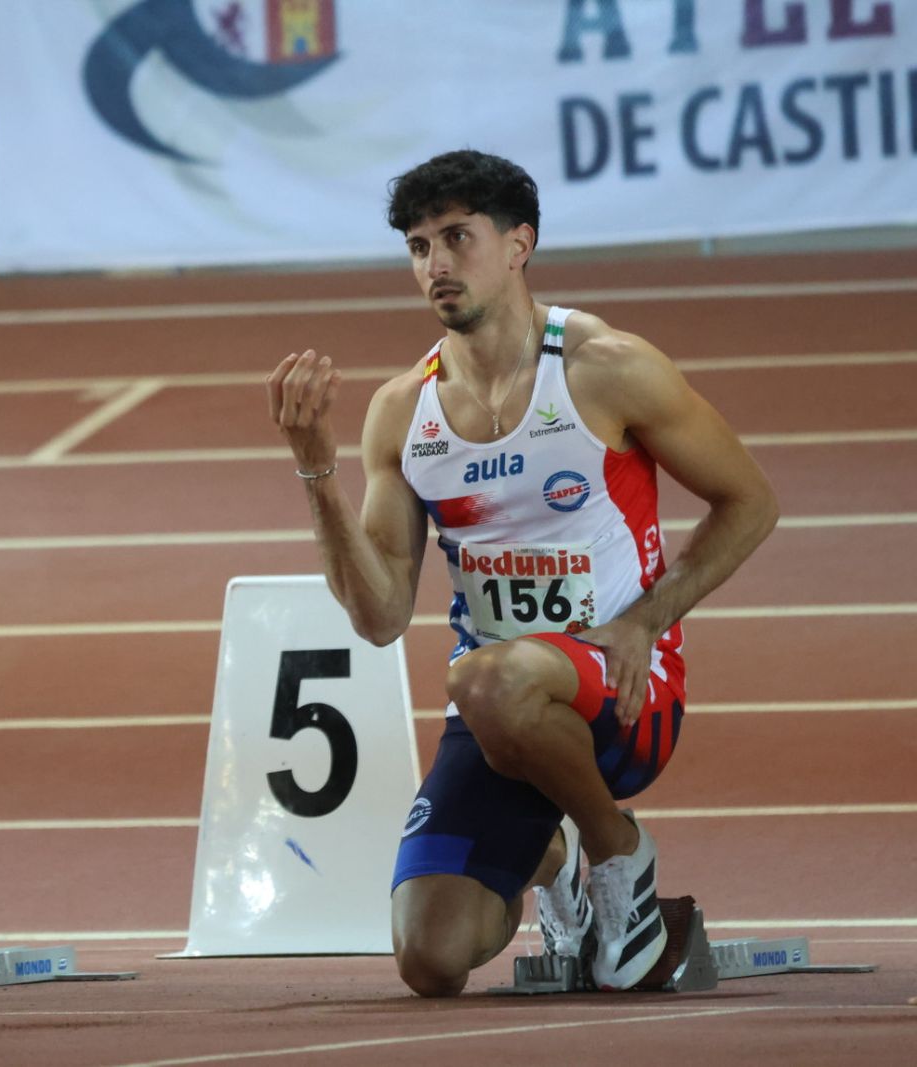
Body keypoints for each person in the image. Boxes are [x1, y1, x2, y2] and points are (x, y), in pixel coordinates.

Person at [265, 150, 778, 996]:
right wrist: (317, 469)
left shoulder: (605, 369)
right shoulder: (403, 413)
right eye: (419, 246)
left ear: (518, 244)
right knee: (430, 958)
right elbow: (379, 615)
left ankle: (619, 854)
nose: (435, 265)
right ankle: (561, 850)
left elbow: (750, 502)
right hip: (496, 707)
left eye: (456, 238)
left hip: (623, 690)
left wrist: (647, 619)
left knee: (488, 677)